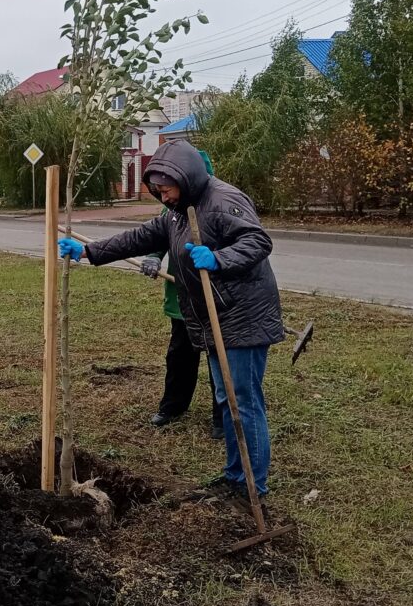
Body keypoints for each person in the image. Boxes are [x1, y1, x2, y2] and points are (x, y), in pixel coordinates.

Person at [56, 139, 283, 500]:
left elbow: (257, 241)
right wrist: (89, 251)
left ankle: (250, 486)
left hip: (242, 315)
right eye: (157, 191)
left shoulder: (223, 201)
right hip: (215, 316)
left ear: (185, 177)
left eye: (166, 190)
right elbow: (142, 236)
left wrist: (219, 258)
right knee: (228, 399)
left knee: (243, 402)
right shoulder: (180, 208)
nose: (163, 197)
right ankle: (234, 477)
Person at [140, 150, 224, 439]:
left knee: (219, 359)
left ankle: (222, 416)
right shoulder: (171, 207)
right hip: (182, 298)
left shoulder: (217, 204)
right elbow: (158, 235)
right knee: (180, 355)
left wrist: (218, 259)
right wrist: (153, 256)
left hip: (214, 297)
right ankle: (173, 405)